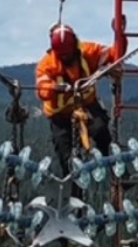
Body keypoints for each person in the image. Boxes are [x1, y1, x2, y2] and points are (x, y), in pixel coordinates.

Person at [35, 21, 127, 195]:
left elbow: (115, 55)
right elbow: (42, 90)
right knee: (68, 162)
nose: (68, 59)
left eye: (69, 55)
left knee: (101, 132)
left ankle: (121, 175)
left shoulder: (87, 51)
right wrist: (55, 88)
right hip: (60, 118)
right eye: (64, 56)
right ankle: (74, 204)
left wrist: (119, 35)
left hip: (87, 106)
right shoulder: (47, 64)